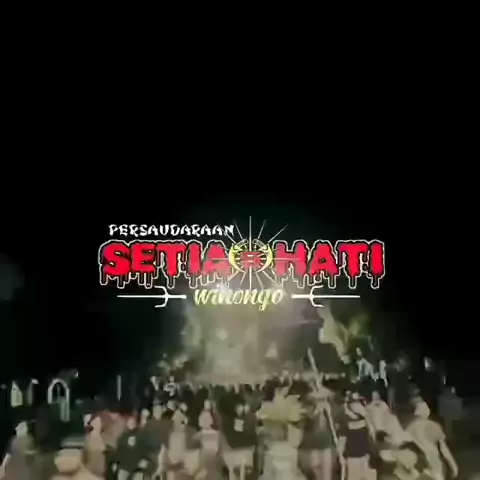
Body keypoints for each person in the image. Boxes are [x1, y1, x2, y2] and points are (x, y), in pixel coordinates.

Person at [406, 402, 458, 480]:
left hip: (418, 460)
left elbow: (402, 442)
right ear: (428, 413)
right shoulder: (434, 426)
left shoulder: (410, 427)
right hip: (433, 457)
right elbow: (444, 449)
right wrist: (453, 465)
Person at [338, 392, 374, 480]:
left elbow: (372, 432)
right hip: (352, 457)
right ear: (350, 404)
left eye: (359, 402)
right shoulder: (344, 419)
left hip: (365, 456)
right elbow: (342, 440)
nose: (358, 405)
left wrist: (366, 415)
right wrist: (340, 456)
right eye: (356, 402)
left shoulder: (363, 417)